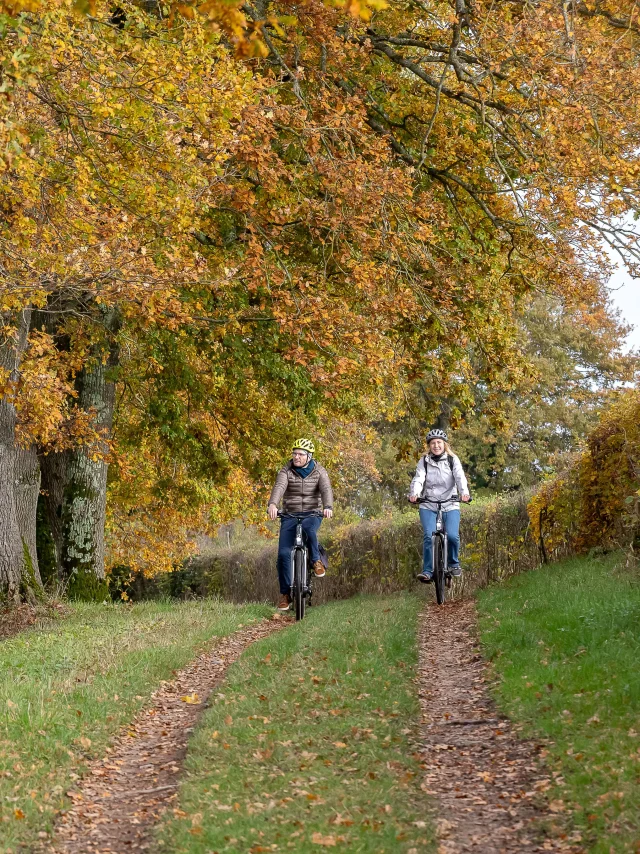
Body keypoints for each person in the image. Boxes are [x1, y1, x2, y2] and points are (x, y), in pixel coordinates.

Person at [268, 439, 334, 611]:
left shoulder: (319, 471)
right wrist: (273, 504)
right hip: (289, 514)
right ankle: (285, 594)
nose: (296, 457)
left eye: (300, 454)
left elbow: (326, 490)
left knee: (308, 529)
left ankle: (315, 561)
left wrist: (327, 507)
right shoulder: (286, 470)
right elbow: (279, 486)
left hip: (312, 513)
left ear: (309, 456)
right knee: (283, 554)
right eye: (294, 453)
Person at [409, 429, 470, 583]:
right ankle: (428, 571)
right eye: (433, 443)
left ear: (444, 444)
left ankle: (453, 563)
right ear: (429, 446)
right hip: (428, 503)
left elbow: (459, 476)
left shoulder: (452, 459)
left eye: (439, 443)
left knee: (453, 536)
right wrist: (415, 493)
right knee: (429, 535)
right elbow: (419, 478)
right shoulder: (424, 461)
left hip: (450, 502)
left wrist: (464, 493)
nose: (436, 446)